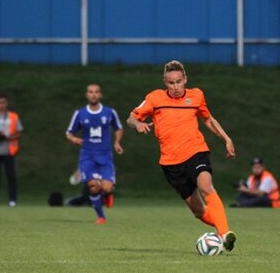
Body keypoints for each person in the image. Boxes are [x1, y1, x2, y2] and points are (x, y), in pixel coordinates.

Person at [126, 60, 237, 251]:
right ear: (165, 82)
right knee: (198, 211)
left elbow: (208, 119)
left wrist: (226, 138)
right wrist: (138, 124)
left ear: (185, 79)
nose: (176, 87)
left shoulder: (196, 95)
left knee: (206, 186)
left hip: (196, 152)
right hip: (171, 163)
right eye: (171, 83)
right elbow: (131, 118)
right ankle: (221, 230)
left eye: (178, 81)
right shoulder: (154, 98)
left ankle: (225, 234)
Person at [66, 83, 124, 223]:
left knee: (106, 187)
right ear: (87, 95)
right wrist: (73, 138)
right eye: (91, 92)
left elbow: (119, 128)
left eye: (96, 92)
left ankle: (109, 193)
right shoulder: (80, 113)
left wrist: (117, 142)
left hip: (105, 157)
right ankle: (101, 217)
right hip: (87, 157)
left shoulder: (109, 112)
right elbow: (69, 132)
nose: (93, 94)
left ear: (100, 95)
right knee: (93, 187)